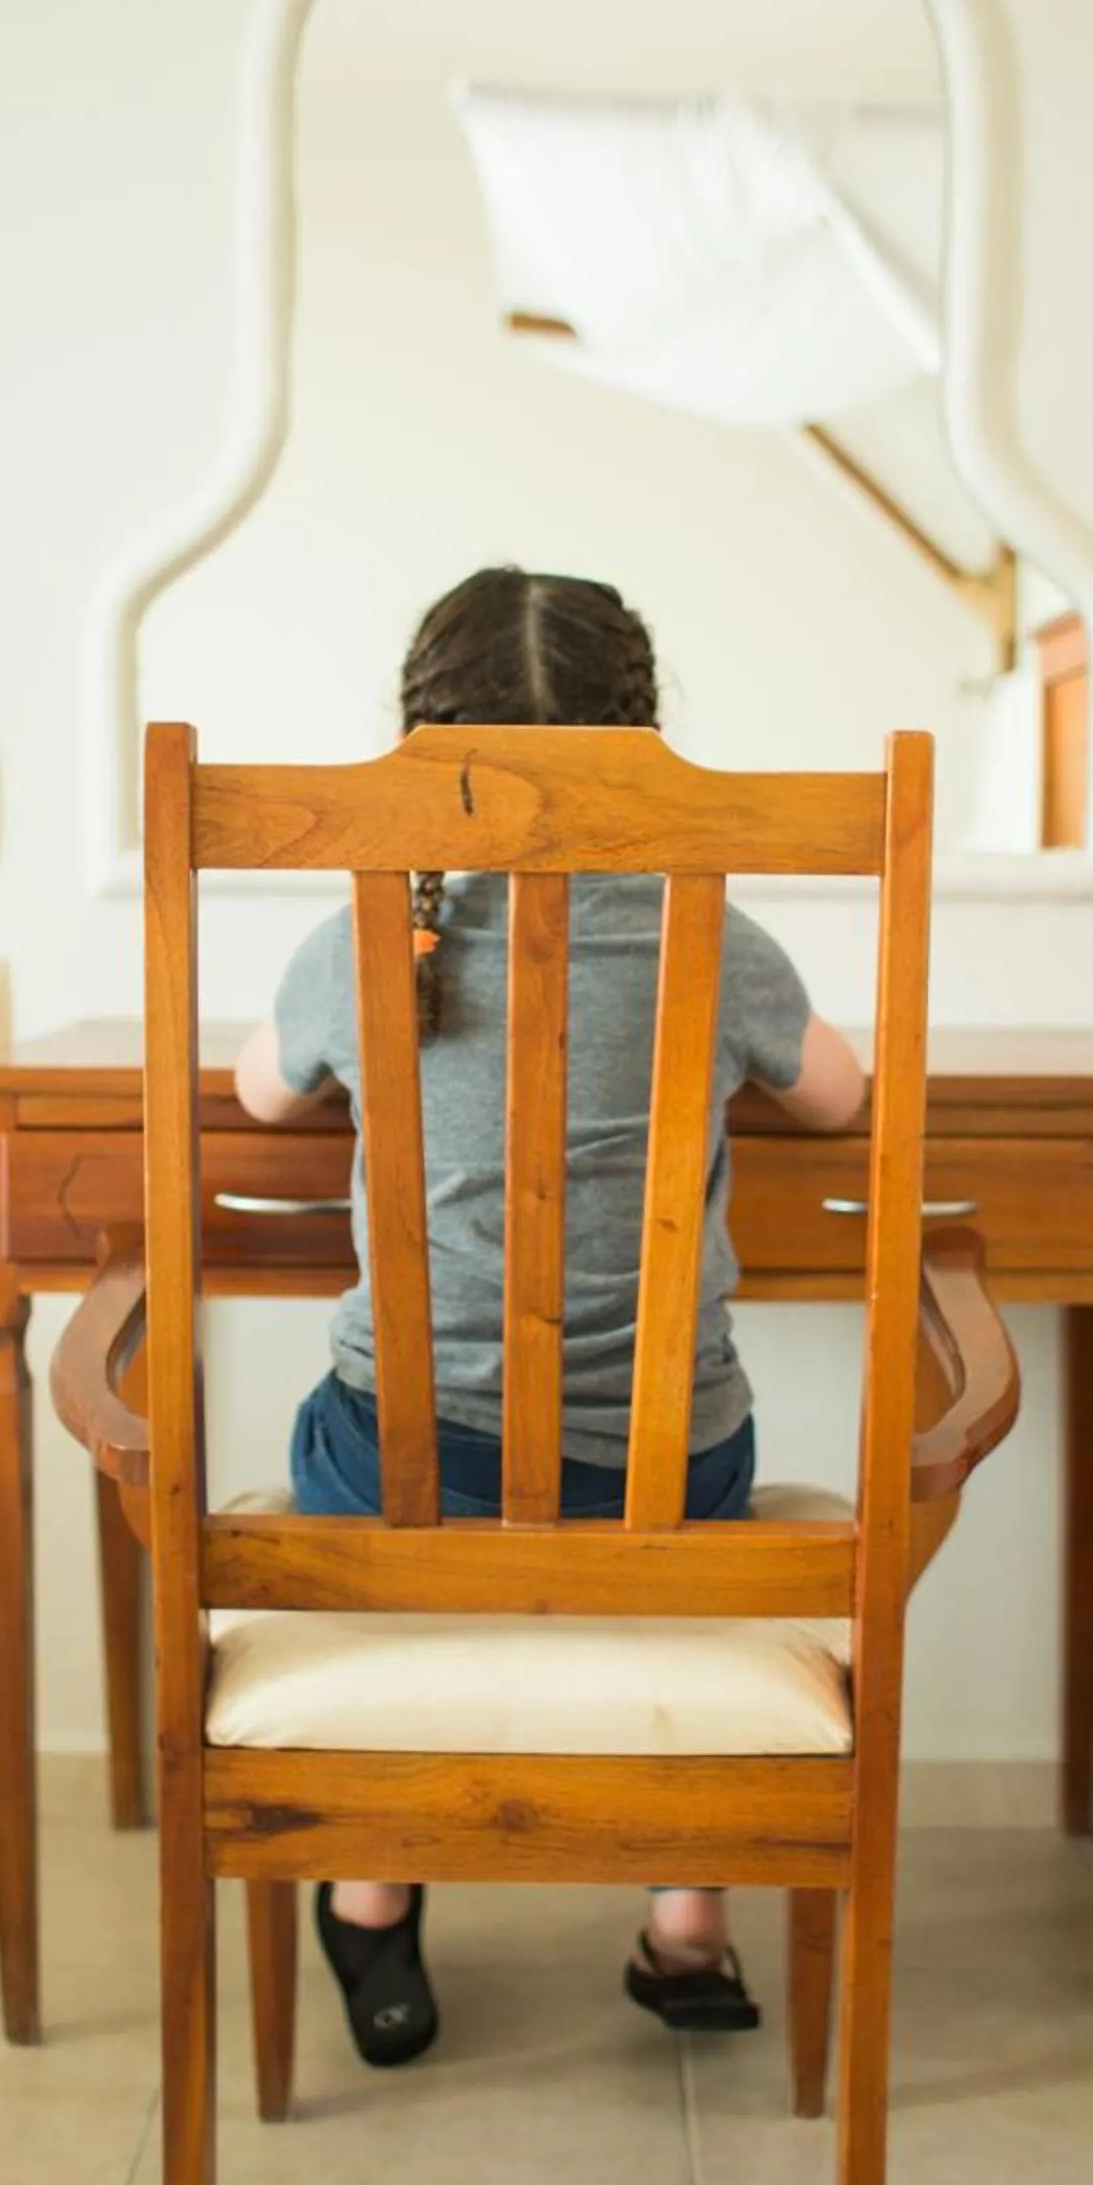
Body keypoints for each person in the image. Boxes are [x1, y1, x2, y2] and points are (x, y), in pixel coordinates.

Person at [236, 566, 867, 2066]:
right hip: (666, 1488)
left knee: (365, 1427)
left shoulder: (368, 938)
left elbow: (259, 1092)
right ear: (642, 744)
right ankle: (690, 1925)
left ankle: (375, 1894)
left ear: (417, 748)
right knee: (683, 1457)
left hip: (401, 1487)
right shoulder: (716, 938)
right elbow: (842, 1099)